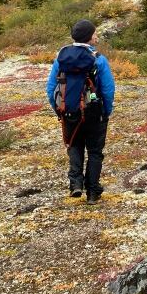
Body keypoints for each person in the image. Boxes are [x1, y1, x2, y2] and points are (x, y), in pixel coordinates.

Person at [46, 19, 115, 205]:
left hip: (69, 112)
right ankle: (93, 192)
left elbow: (51, 88)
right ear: (89, 37)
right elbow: (108, 90)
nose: (96, 36)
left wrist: (59, 109)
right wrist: (106, 111)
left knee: (74, 146)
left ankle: (75, 184)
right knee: (94, 152)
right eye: (94, 33)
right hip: (94, 112)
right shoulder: (98, 59)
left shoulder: (60, 58)